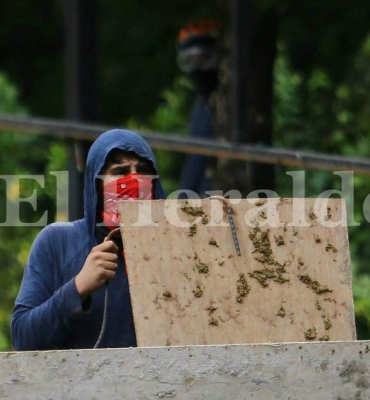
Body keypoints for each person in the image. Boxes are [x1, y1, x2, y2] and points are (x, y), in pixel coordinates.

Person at [11, 129, 166, 350]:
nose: (134, 180)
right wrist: (77, 288)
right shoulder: (57, 242)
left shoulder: (173, 250)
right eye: (120, 172)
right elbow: (23, 340)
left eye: (143, 171)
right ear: (96, 184)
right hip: (77, 383)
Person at [176, 20, 218, 196]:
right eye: (190, 61)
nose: (196, 68)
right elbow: (194, 163)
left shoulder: (217, 103)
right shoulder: (202, 102)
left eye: (203, 59)